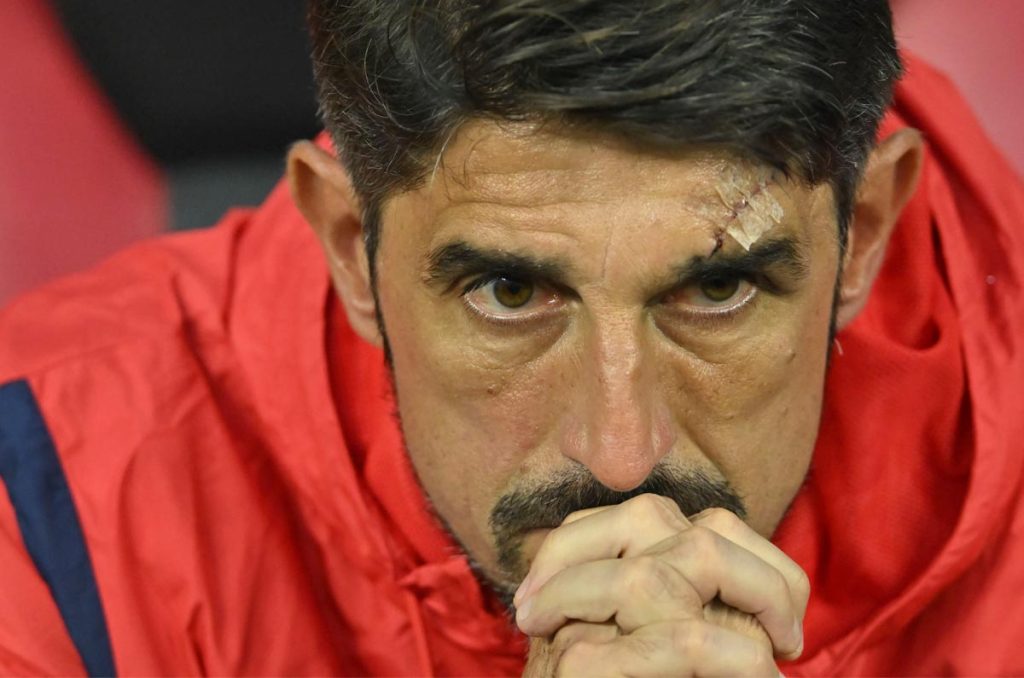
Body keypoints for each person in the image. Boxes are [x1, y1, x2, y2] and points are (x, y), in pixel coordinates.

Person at [1, 1, 1022, 675]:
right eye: (509, 290)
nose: (621, 456)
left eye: (717, 288)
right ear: (353, 247)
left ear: (863, 235)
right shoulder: (41, 503)